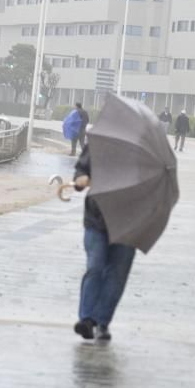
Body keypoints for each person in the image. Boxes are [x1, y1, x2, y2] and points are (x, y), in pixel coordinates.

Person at [72, 145, 137, 341]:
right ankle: (86, 320)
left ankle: (102, 322)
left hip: (129, 224)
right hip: (96, 221)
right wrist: (80, 179)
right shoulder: (99, 144)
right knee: (95, 267)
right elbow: (81, 171)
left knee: (117, 275)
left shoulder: (143, 154)